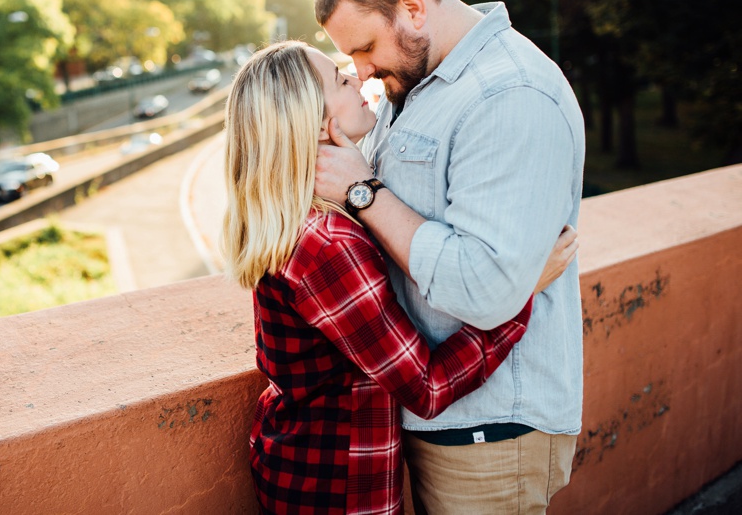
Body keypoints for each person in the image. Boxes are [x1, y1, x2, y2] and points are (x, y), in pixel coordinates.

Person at [221, 40, 578, 514]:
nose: (357, 77)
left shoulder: (309, 221)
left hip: (307, 470)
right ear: (311, 119)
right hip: (337, 490)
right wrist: (521, 291)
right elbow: (426, 389)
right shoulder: (327, 246)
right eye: (338, 79)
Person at [313, 0, 586, 514]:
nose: (359, 73)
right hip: (432, 413)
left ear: (413, 9)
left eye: (364, 48)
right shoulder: (413, 81)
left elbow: (485, 291)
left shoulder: (510, 94)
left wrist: (362, 191)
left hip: (489, 427)